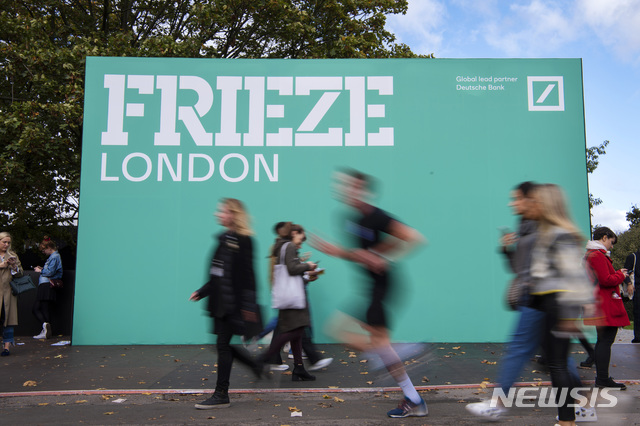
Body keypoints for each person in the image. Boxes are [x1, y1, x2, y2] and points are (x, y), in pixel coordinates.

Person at [311, 169, 428, 418]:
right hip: (370, 287)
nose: (346, 190)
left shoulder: (377, 217)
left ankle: (395, 361)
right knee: (339, 331)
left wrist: (383, 255)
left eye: (352, 186)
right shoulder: (350, 219)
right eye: (344, 186)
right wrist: (341, 252)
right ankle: (397, 368)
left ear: (363, 190)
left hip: (383, 285)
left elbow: (414, 237)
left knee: (342, 331)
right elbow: (361, 256)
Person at [527, 184, 594, 426]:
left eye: (536, 201)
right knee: (553, 363)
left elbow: (573, 276)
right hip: (546, 305)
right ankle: (580, 404)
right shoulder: (547, 233)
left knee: (557, 365)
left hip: (557, 304)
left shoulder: (559, 234)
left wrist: (569, 316)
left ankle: (567, 421)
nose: (531, 205)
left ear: (546, 204)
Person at [190, 198, 262, 409]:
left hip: (233, 305)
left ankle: (221, 393)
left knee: (222, 346)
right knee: (222, 346)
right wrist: (202, 291)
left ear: (233, 215)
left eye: (222, 211)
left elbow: (248, 276)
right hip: (221, 304)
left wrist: (249, 307)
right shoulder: (224, 238)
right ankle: (254, 365)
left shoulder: (244, 240)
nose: (218, 214)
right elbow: (218, 274)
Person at [259, 223, 320, 381]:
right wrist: (308, 265)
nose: (302, 240)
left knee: (296, 335)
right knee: (295, 331)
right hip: (293, 297)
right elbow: (292, 269)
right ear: (294, 233)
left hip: (287, 296)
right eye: (301, 236)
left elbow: (290, 271)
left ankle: (299, 368)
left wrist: (307, 274)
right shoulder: (289, 246)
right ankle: (266, 357)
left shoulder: (281, 246)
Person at [584, 226, 630, 390]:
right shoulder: (597, 255)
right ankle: (602, 378)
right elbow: (606, 280)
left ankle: (602, 377)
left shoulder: (592, 255)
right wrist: (621, 275)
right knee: (605, 341)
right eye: (611, 242)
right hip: (605, 305)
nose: (612, 246)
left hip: (600, 304)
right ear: (604, 237)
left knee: (603, 341)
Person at [33, 237, 63, 340]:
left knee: (38, 308)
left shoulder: (54, 257)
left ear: (49, 247)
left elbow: (50, 272)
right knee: (43, 308)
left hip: (46, 284)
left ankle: (45, 329)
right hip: (46, 284)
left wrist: (40, 271)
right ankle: (46, 329)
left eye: (44, 250)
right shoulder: (54, 257)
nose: (43, 252)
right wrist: (43, 269)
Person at [0, 232, 24, 356]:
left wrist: (14, 266)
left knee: (8, 319)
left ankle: (7, 347)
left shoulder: (13, 255)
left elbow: (20, 273)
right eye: (4, 242)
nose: (6, 244)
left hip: (8, 293)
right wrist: (2, 265)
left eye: (8, 242)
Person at [623, 248, 638, 343]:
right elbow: (626, 272)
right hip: (637, 289)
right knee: (638, 314)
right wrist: (629, 284)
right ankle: (638, 339)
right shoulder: (633, 257)